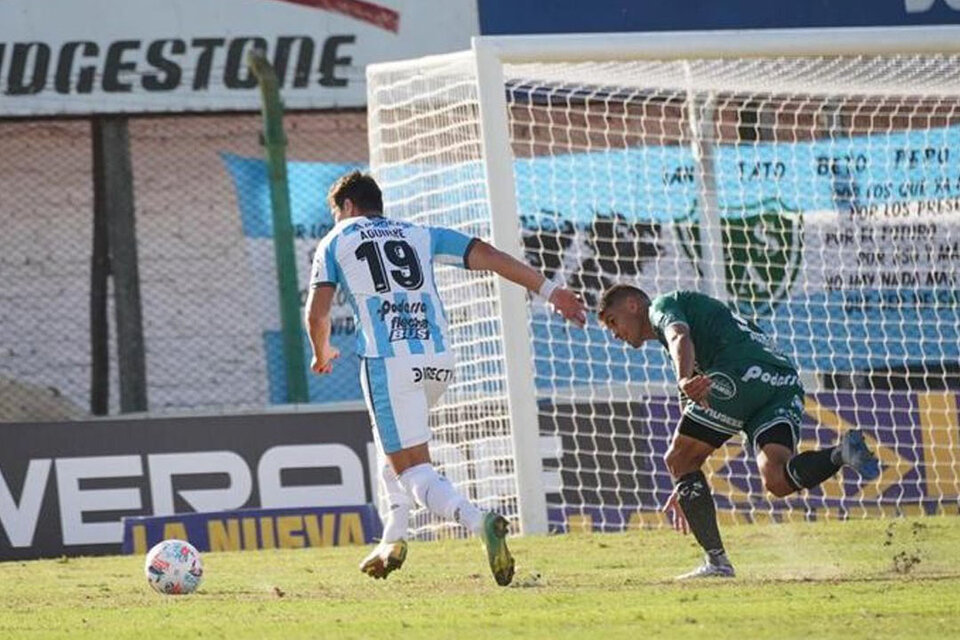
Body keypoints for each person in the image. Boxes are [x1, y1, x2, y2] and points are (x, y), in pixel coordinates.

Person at [305, 171, 586, 586]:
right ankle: (392, 540)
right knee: (394, 449)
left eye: (337, 213)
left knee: (411, 470)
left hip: (389, 360)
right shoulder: (418, 232)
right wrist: (550, 291)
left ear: (347, 208)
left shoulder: (337, 238)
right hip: (437, 362)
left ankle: (479, 521)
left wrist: (321, 350)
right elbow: (488, 254)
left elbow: (317, 312)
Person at [597, 285, 879, 579]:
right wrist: (686, 485)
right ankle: (842, 453)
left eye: (613, 322)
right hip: (783, 381)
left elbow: (679, 335)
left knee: (678, 459)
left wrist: (682, 382)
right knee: (777, 479)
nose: (615, 333)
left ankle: (717, 563)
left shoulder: (662, 308)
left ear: (632, 304)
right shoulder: (685, 341)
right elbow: (691, 429)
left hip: (741, 372)